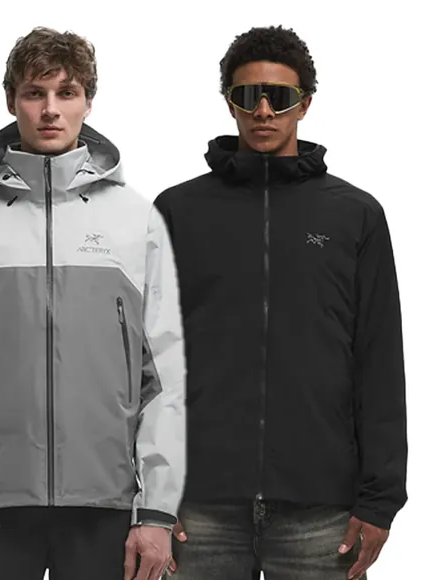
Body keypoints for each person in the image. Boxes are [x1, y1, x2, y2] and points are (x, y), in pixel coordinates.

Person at [0, 27, 186, 580]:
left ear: (88, 101)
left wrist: (157, 511)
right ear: (11, 100)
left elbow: (163, 377)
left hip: (106, 505)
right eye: (34, 93)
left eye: (66, 93)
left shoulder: (134, 219)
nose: (50, 110)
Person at [153, 25, 407, 580]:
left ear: (305, 104)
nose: (263, 110)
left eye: (279, 96)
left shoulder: (355, 215)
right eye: (248, 96)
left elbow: (379, 359)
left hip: (322, 508)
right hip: (199, 506)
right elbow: (148, 361)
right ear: (230, 103)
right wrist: (151, 495)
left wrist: (380, 499)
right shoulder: (177, 211)